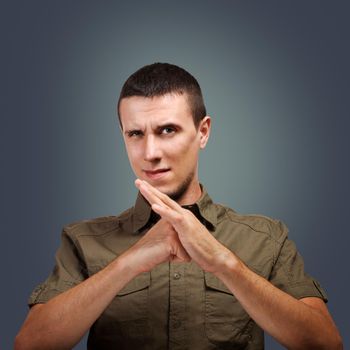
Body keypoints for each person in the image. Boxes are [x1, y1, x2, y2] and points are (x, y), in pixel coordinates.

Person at [15, 63, 342, 350]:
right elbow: (30, 344)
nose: (150, 152)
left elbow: (325, 342)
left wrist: (223, 262)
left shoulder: (267, 237)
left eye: (167, 130)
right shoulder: (82, 240)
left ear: (203, 132)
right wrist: (129, 262)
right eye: (135, 134)